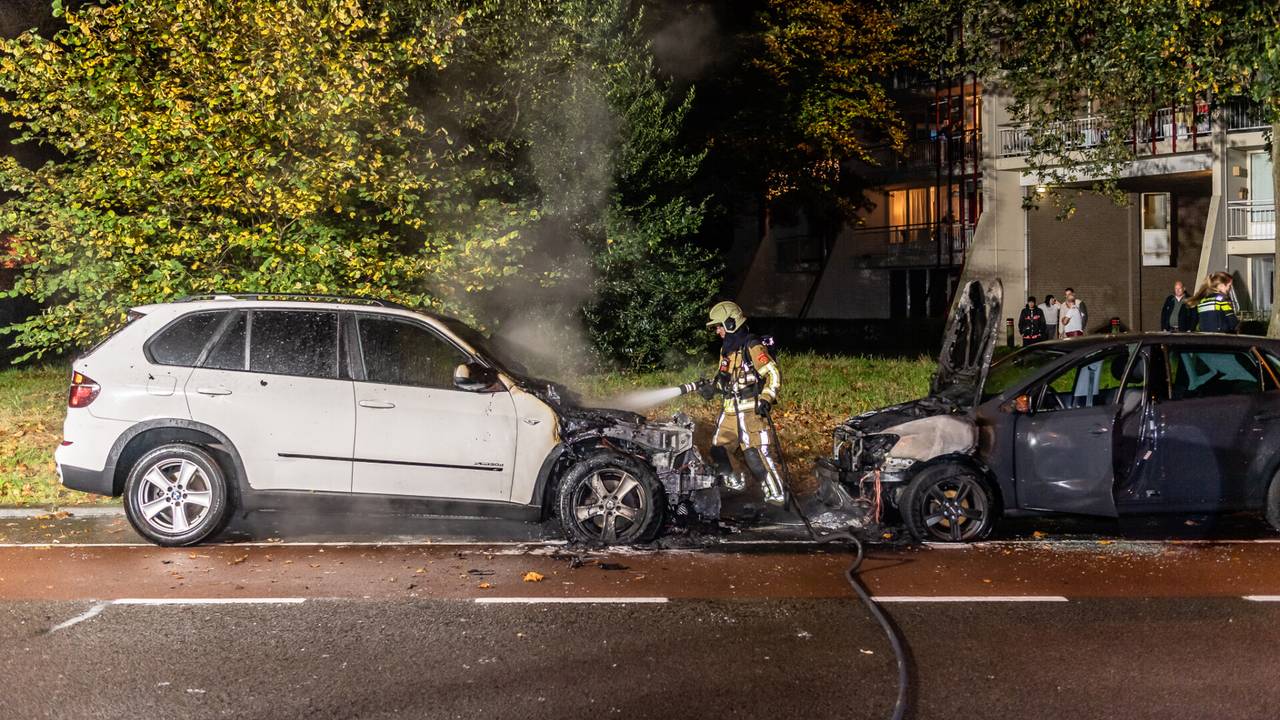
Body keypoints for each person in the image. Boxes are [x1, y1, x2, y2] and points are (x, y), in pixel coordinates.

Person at [696, 301, 787, 506]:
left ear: (730, 323)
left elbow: (772, 373)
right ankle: (736, 484)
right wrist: (712, 388)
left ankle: (778, 497)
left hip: (751, 409)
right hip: (730, 410)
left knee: (755, 455)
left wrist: (766, 398)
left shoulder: (752, 346)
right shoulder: (726, 350)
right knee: (719, 449)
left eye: (719, 326)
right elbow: (725, 378)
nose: (717, 330)